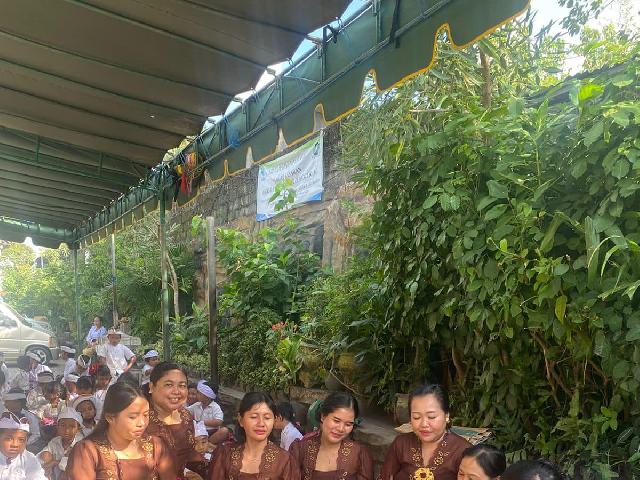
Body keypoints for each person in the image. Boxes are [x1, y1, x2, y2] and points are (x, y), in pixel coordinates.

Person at [66, 382, 177, 479]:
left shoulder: (155, 446)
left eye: (146, 415)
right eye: (133, 417)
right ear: (110, 418)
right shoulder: (88, 451)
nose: (142, 423)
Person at [380, 384, 471, 480]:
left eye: (431, 417)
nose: (424, 424)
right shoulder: (401, 444)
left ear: (446, 415)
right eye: (416, 417)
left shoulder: (463, 451)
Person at [208, 391, 300, 480]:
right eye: (254, 417)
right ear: (241, 420)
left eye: (267, 418)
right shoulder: (224, 455)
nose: (261, 423)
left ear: (274, 421)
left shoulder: (285, 461)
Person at [289, 392, 373, 479]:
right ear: (323, 416)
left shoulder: (359, 454)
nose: (341, 429)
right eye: (336, 421)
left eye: (348, 424)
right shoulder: (300, 449)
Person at [146, 362, 208, 478]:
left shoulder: (185, 416)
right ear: (151, 387)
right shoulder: (140, 421)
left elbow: (190, 456)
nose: (176, 391)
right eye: (169, 385)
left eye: (182, 386)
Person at [38, 408, 83, 480]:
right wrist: (47, 461)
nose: (67, 430)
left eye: (72, 426)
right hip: (56, 475)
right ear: (57, 427)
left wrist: (55, 462)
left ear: (78, 429)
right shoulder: (55, 441)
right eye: (63, 425)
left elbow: (77, 465)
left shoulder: (81, 443)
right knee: (45, 455)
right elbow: (42, 455)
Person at [0, 411, 47, 480]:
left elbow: (38, 477)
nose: (15, 445)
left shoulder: (29, 458)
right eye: (8, 439)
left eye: (21, 440)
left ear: (26, 441)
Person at [187, 380, 229, 444]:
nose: (197, 395)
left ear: (207, 396)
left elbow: (219, 421)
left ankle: (208, 444)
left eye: (199, 393)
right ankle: (202, 444)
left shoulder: (215, 407)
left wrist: (202, 422)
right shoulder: (197, 405)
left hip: (212, 432)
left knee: (224, 431)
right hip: (198, 432)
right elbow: (186, 410)